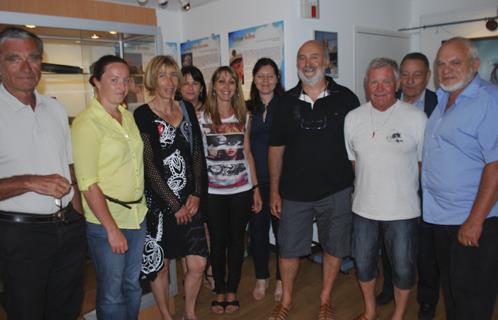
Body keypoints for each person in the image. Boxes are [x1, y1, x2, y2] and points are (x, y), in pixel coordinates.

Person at [268, 40, 359, 320]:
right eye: (302, 58)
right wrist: (274, 191)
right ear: (297, 65)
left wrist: (359, 186)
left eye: (314, 57)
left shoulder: (347, 99)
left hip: (336, 190)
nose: (308, 63)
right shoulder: (283, 104)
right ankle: (286, 302)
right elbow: (276, 150)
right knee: (288, 251)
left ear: (327, 62)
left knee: (334, 247)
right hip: (294, 193)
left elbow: (358, 147)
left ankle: (325, 300)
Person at [0, 27, 86, 320]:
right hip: (21, 234)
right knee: (26, 311)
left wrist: (79, 217)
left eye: (33, 58)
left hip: (67, 227)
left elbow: (69, 165)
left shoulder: (55, 108)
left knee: (66, 308)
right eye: (14, 58)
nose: (26, 67)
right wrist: (28, 182)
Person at [345, 57, 427, 320]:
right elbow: (355, 162)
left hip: (403, 212)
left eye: (386, 81)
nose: (379, 87)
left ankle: (399, 314)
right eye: (373, 82)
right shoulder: (353, 118)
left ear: (397, 83)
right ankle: (370, 311)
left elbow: (423, 165)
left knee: (403, 268)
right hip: (363, 210)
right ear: (366, 84)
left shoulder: (417, 118)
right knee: (364, 265)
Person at [422, 37, 498, 320]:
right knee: (453, 293)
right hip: (442, 219)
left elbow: (495, 165)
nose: (446, 70)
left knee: (473, 300)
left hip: (474, 221)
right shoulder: (442, 100)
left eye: (455, 63)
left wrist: (475, 221)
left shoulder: (489, 101)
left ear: (475, 65)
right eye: (441, 64)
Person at [71, 55, 148, 320]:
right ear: (96, 81)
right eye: (113, 80)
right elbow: (87, 183)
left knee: (133, 285)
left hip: (137, 216)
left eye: (125, 80)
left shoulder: (127, 116)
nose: (121, 86)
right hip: (108, 221)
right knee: (112, 292)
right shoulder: (86, 124)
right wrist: (112, 229)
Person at [134, 55, 208, 320]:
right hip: (160, 206)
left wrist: (197, 194)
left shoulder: (186, 108)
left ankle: (189, 312)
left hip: (191, 200)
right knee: (161, 267)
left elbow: (197, 153)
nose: (169, 81)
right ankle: (166, 315)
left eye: (173, 75)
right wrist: (174, 205)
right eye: (163, 75)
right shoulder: (142, 114)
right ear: (153, 79)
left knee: (198, 263)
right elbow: (149, 164)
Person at [376, 52, 439, 320]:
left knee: (425, 251)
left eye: (417, 74)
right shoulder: (386, 102)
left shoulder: (440, 104)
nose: (411, 81)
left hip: (427, 191)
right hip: (393, 190)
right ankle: (389, 287)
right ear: (398, 77)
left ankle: (426, 301)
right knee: (392, 245)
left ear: (428, 76)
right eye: (406, 74)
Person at [198, 66, 262, 314]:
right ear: (213, 85)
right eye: (221, 81)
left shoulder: (244, 115)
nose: (226, 86)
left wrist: (255, 188)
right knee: (217, 242)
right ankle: (220, 289)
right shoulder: (201, 116)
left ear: (237, 86)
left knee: (237, 241)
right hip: (213, 192)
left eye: (231, 82)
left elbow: (247, 153)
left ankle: (232, 289)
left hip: (241, 189)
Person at [246, 57, 285, 302]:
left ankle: (282, 278)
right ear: (254, 79)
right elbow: (245, 147)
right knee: (258, 231)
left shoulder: (287, 106)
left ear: (277, 79)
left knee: (283, 233)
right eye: (260, 76)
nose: (265, 80)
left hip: (282, 182)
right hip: (255, 181)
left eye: (270, 75)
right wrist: (254, 186)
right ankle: (262, 276)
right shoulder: (248, 108)